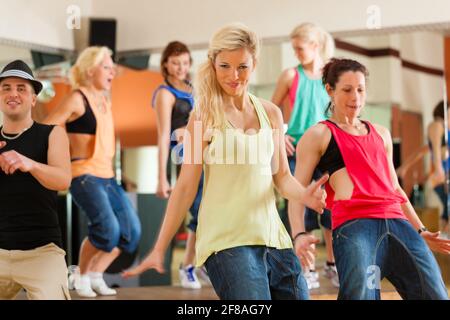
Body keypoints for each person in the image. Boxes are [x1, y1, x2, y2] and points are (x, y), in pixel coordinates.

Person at [122, 23, 328, 300]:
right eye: (225, 66)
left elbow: (281, 177)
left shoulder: (272, 113)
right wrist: (159, 248)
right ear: (213, 64)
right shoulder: (202, 117)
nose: (234, 75)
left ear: (254, 63)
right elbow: (184, 188)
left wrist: (304, 194)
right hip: (226, 242)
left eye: (242, 66)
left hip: (274, 240)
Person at [291, 57, 450, 300]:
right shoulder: (319, 135)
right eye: (347, 90)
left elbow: (395, 187)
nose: (355, 97)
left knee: (435, 294)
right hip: (356, 226)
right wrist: (299, 234)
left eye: (360, 89)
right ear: (329, 90)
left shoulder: (382, 134)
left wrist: (420, 229)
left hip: (398, 223)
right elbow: (296, 192)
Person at [43, 46, 141, 298]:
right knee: (107, 231)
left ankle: (96, 275)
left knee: (130, 234)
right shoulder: (78, 98)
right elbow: (45, 128)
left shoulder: (104, 101)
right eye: (107, 67)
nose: (112, 72)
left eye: (112, 67)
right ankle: (81, 275)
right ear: (89, 70)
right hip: (84, 175)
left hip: (108, 176)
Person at [271, 22, 338, 289]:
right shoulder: (290, 75)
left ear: (315, 46)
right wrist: (280, 135)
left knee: (330, 207)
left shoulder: (331, 74)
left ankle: (332, 264)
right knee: (301, 207)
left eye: (300, 48)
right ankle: (307, 267)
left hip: (325, 147)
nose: (296, 53)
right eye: (294, 49)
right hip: (297, 149)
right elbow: (269, 110)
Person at [0, 60, 71, 300]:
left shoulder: (52, 134)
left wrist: (29, 164)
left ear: (33, 98)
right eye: (6, 87)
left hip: (41, 253)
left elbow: (63, 180)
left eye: (21, 88)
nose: (13, 93)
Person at [152, 41, 208, 289]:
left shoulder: (194, 88)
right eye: (175, 62)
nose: (181, 68)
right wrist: (161, 177)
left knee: (210, 207)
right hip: (185, 153)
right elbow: (164, 135)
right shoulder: (165, 94)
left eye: (185, 62)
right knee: (199, 208)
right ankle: (187, 266)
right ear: (165, 64)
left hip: (206, 151)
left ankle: (201, 262)